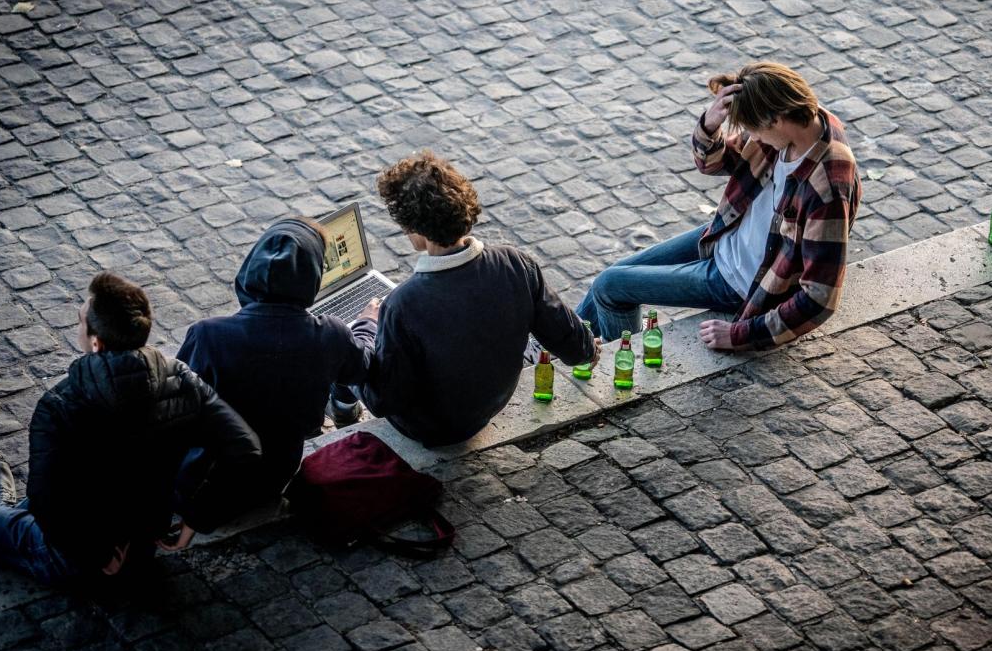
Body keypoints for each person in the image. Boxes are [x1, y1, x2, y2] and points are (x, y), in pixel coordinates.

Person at [0, 272, 261, 584]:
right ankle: (0, 509)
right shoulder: (183, 380)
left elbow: (47, 503)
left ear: (96, 343)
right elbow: (246, 448)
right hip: (141, 547)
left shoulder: (61, 402)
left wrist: (96, 555)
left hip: (74, 559)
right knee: (27, 507)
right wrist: (197, 518)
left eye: (80, 322)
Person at [576, 61, 861, 351]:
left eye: (754, 130)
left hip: (740, 280)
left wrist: (741, 334)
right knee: (614, 273)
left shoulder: (827, 185)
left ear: (775, 119)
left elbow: (820, 297)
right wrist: (709, 126)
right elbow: (716, 163)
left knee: (611, 287)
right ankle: (550, 345)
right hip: (725, 235)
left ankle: (625, 374)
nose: (754, 138)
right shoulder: (794, 123)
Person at [330, 151, 599, 447]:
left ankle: (342, 410)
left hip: (430, 428)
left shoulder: (403, 305)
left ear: (415, 231)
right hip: (488, 406)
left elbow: (383, 400)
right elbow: (570, 342)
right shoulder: (517, 263)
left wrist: (365, 327)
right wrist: (588, 350)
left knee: (343, 346)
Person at [176, 218, 374, 499]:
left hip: (215, 474)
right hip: (277, 472)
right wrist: (366, 323)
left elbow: (179, 407)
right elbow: (363, 366)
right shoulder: (331, 334)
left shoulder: (207, 336)